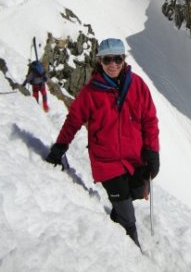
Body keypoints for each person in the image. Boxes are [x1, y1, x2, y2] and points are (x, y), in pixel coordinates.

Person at [46, 38, 160, 248]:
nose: (113, 64)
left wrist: (152, 152)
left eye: (117, 58)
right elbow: (74, 120)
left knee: (137, 192)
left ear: (124, 59)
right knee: (128, 217)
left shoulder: (137, 85)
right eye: (107, 59)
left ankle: (113, 223)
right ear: (100, 61)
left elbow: (149, 120)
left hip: (134, 158)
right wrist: (60, 147)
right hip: (106, 161)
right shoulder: (91, 92)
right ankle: (133, 252)